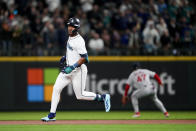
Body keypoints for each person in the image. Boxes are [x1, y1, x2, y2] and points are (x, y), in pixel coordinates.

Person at [41, 18, 111, 122]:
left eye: (72, 26)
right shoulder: (70, 37)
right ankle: (51, 115)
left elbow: (85, 58)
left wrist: (72, 67)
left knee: (80, 95)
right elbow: (73, 51)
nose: (69, 28)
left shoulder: (79, 40)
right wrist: (65, 57)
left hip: (78, 70)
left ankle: (103, 97)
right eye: (69, 26)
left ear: (76, 28)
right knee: (56, 88)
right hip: (68, 70)